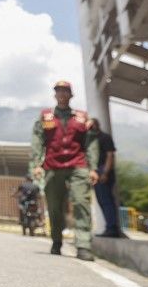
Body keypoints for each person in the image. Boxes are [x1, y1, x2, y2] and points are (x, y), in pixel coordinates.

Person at [30, 81, 99, 261]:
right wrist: (36, 164)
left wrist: (93, 168)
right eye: (58, 91)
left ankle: (83, 245)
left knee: (81, 203)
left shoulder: (82, 118)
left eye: (65, 91)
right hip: (53, 166)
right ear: (54, 95)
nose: (62, 94)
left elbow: (91, 144)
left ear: (71, 95)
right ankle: (56, 241)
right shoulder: (46, 117)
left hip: (78, 165)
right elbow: (37, 140)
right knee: (54, 206)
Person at [91, 123, 123, 238]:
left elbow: (110, 156)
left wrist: (105, 172)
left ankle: (112, 228)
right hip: (97, 172)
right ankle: (109, 227)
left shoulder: (104, 137)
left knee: (106, 200)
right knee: (102, 200)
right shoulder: (92, 140)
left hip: (103, 171)